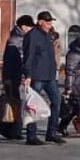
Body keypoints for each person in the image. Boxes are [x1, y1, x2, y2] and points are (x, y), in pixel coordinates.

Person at [21, 11, 64, 145]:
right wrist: (28, 75)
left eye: (51, 23)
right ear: (40, 22)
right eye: (47, 22)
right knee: (32, 105)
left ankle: (52, 132)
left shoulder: (47, 35)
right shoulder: (32, 36)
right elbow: (28, 56)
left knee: (57, 101)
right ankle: (31, 135)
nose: (50, 25)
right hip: (37, 75)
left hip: (50, 76)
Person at [0, 15, 32, 140]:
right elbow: (13, 61)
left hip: (15, 75)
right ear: (23, 26)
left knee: (15, 102)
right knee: (17, 103)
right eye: (29, 26)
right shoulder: (17, 40)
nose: (30, 29)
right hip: (14, 76)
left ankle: (9, 128)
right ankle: (13, 129)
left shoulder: (17, 38)